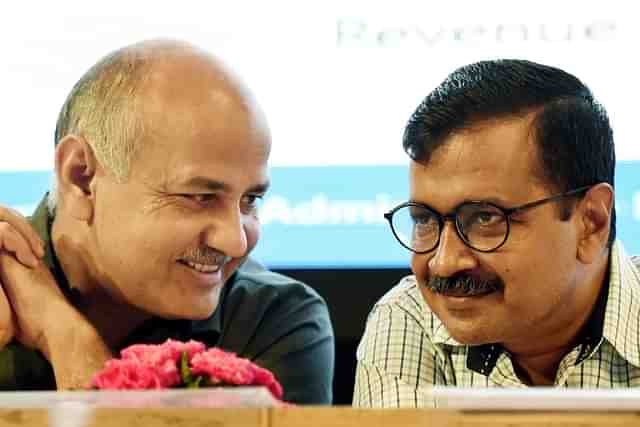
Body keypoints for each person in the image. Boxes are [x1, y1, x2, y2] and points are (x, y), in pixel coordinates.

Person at [0, 39, 334, 404]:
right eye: (200, 198)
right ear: (81, 178)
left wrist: (63, 333)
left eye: (250, 200)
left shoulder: (272, 320)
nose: (236, 242)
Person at [353, 59, 640, 407]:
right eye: (424, 219)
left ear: (590, 222)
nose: (444, 264)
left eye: (485, 219)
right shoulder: (410, 320)